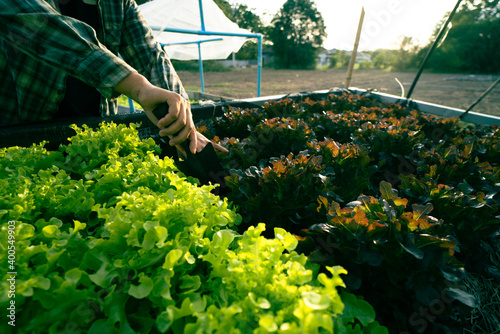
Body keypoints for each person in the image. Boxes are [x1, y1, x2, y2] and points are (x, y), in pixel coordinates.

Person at [0, 0, 224, 154]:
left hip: (95, 131)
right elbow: (45, 30)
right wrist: (139, 87)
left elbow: (151, 57)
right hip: (21, 132)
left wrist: (182, 124)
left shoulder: (119, 3)